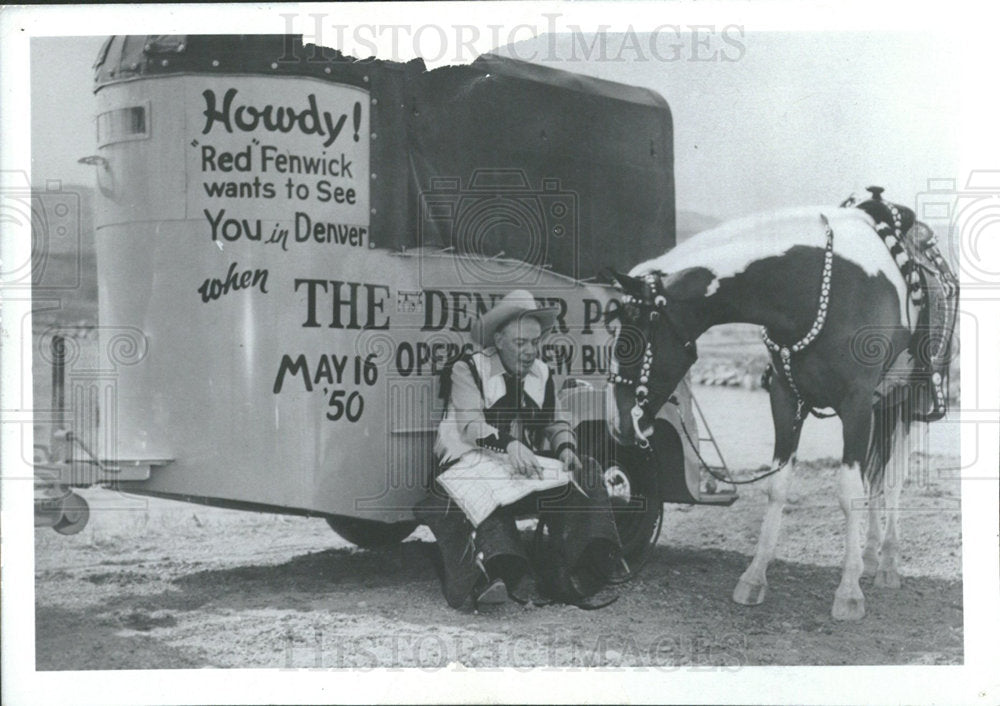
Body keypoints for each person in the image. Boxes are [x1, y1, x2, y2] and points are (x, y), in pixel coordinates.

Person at [415, 289, 622, 610]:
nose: (530, 352)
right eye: (520, 343)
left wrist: (565, 447)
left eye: (535, 342)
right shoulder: (468, 369)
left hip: (513, 470)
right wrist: (510, 445)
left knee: (587, 469)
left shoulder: (541, 373)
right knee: (483, 481)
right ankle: (500, 570)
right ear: (498, 341)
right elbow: (470, 425)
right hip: (462, 468)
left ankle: (584, 566)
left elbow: (555, 420)